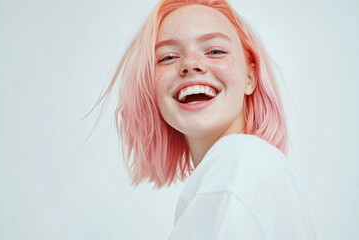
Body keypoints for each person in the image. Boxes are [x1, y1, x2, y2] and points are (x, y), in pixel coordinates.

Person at [92, 0, 317, 239]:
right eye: (167, 57)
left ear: (250, 77)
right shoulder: (248, 166)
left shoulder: (240, 159)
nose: (190, 64)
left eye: (215, 51)